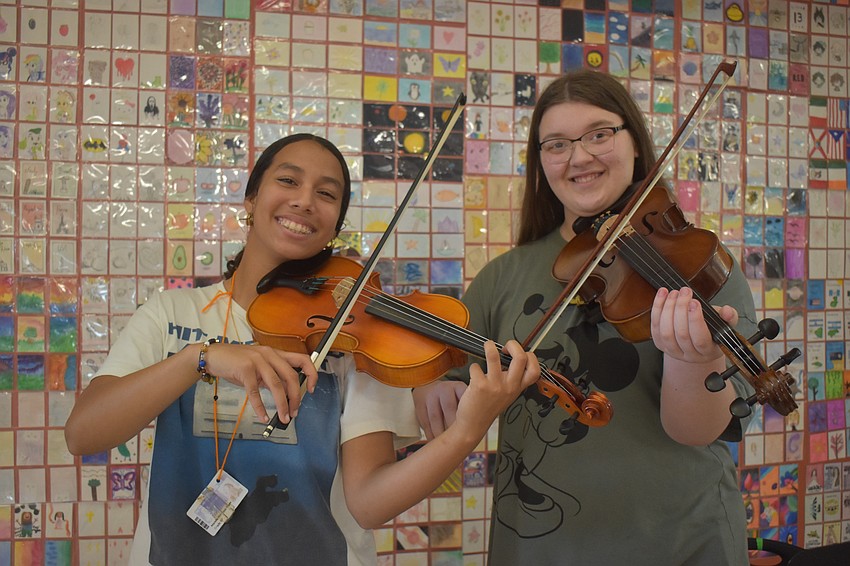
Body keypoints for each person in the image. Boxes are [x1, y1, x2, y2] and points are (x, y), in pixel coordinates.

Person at [64, 133, 540, 565]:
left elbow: (368, 504)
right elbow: (84, 434)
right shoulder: (172, 313)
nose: (305, 201)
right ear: (252, 198)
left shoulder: (355, 336)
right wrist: (200, 358)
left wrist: (464, 433)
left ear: (334, 226)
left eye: (327, 194)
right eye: (288, 180)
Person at [413, 70, 758, 565]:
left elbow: (700, 430)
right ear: (541, 163)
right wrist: (425, 384)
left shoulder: (698, 263)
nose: (579, 157)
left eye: (599, 134)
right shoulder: (500, 277)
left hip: (680, 540)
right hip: (540, 544)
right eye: (556, 144)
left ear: (635, 143)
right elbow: (442, 377)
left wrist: (693, 361)